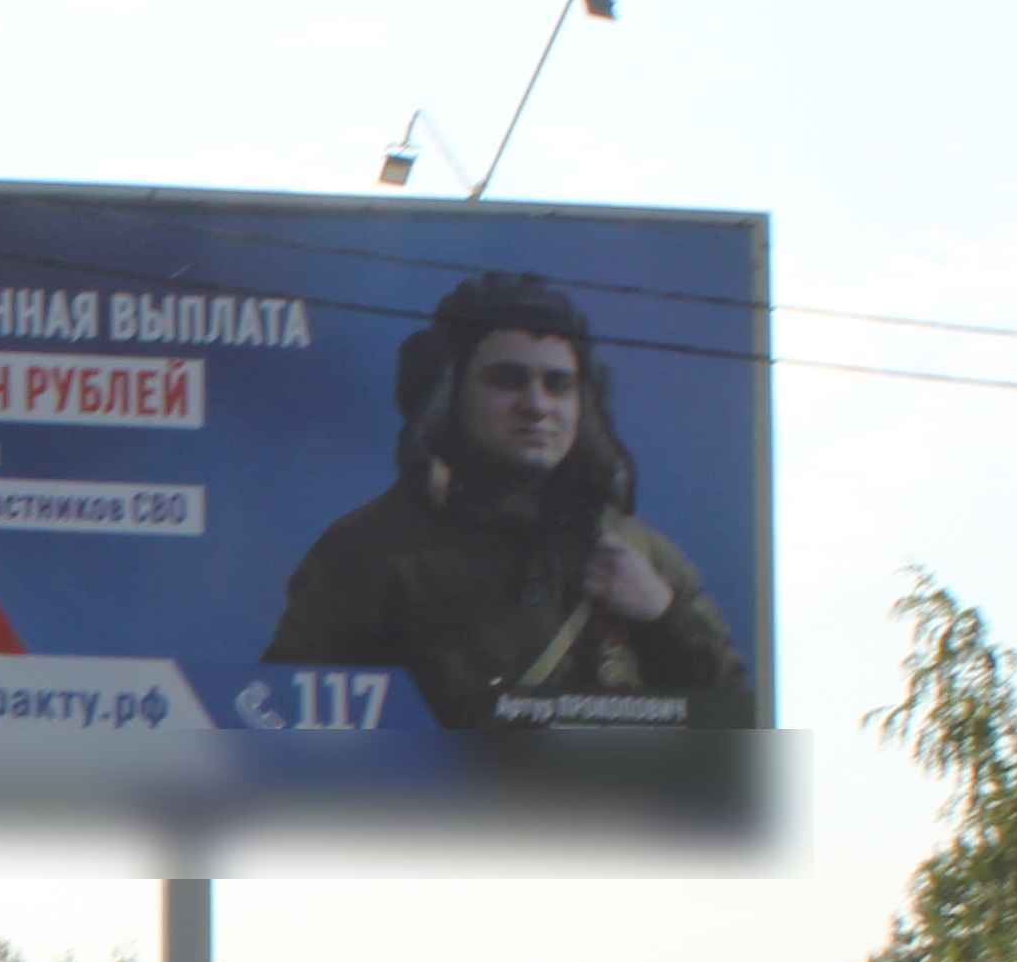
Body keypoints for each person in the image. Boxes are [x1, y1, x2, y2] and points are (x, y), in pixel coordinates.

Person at [255, 270, 745, 724]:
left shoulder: (640, 554)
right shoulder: (368, 552)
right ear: (448, 396)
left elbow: (736, 724)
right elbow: (286, 723)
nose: (537, 406)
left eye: (558, 386)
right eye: (507, 381)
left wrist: (662, 617)